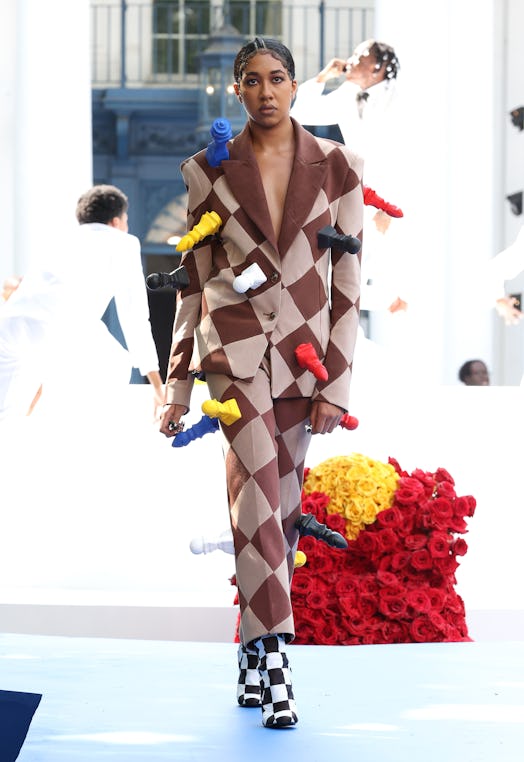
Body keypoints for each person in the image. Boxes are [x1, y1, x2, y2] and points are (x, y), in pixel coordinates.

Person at [160, 37, 363, 728]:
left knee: (276, 508)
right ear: (237, 92)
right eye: (253, 81)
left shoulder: (338, 167)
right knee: (256, 507)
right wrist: (179, 389)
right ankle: (277, 660)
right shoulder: (206, 170)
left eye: (278, 78)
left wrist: (335, 384)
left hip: (304, 365)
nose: (267, 91)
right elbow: (191, 284)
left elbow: (348, 287)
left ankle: (250, 650)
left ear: (297, 85)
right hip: (235, 355)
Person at [0, 184, 163, 422]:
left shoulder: (61, 238)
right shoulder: (123, 242)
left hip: (9, 324)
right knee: (116, 365)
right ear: (116, 221)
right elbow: (134, 315)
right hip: (58, 326)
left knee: (7, 414)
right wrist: (156, 383)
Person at [291, 39, 411, 361]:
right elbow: (301, 112)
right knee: (345, 267)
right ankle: (355, 332)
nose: (352, 60)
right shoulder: (347, 94)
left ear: (378, 67)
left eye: (361, 56)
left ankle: (393, 308)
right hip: (354, 191)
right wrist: (321, 78)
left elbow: (406, 155)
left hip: (390, 198)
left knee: (384, 267)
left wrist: (390, 203)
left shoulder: (401, 99)